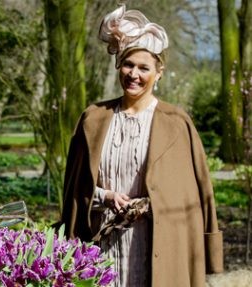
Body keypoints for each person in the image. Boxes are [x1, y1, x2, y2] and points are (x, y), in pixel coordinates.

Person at [61, 5, 223, 287]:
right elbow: (74, 189)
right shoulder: (93, 119)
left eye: (144, 68)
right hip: (102, 248)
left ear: (159, 73)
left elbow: (197, 193)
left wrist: (151, 204)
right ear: (118, 66)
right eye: (128, 64)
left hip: (157, 251)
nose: (133, 74)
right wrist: (105, 196)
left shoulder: (177, 122)